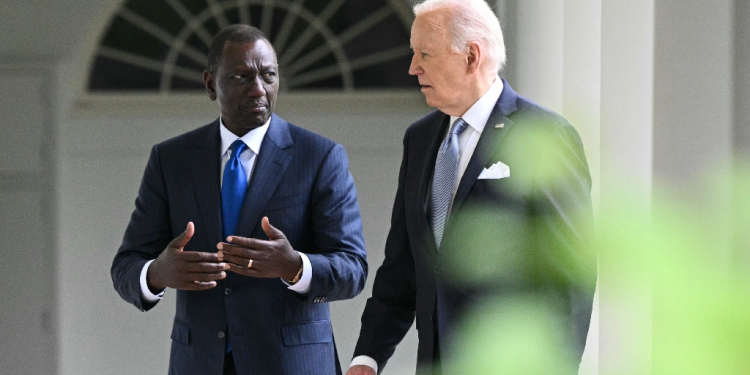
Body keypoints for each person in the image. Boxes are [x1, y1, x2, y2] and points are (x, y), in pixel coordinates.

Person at [347, 0, 596, 374]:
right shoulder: (420, 139)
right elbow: (403, 265)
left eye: (425, 54)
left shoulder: (543, 135)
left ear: (471, 57)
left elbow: (569, 272)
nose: (413, 67)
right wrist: (367, 356)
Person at [111, 24, 367, 375]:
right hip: (200, 363)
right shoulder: (171, 160)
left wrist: (295, 267)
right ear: (210, 84)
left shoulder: (319, 157)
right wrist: (156, 273)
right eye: (242, 77)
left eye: (269, 75)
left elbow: (353, 268)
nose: (259, 89)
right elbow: (126, 265)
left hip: (291, 364)